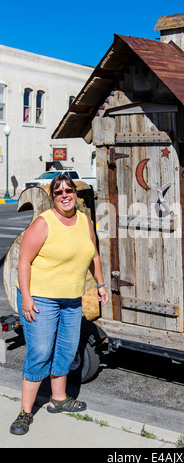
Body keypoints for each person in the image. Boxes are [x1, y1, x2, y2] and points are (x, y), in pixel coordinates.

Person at [10, 174, 108, 435]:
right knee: (40, 352)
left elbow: (94, 255)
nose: (65, 195)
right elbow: (23, 261)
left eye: (69, 190)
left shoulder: (85, 221)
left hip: (71, 299)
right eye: (59, 192)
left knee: (65, 350)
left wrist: (100, 284)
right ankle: (25, 412)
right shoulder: (44, 223)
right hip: (41, 298)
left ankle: (58, 399)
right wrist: (27, 298)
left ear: (75, 194)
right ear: (53, 197)